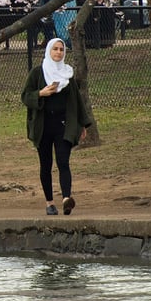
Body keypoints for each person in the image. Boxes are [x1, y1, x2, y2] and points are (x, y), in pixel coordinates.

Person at [21, 38, 95, 216]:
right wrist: (41, 93)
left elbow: (77, 101)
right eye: (55, 49)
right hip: (43, 125)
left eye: (61, 49)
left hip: (63, 125)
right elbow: (25, 96)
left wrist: (83, 124)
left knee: (63, 162)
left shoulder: (67, 74)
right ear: (48, 51)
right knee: (45, 164)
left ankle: (66, 200)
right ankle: (49, 203)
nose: (58, 52)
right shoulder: (38, 73)